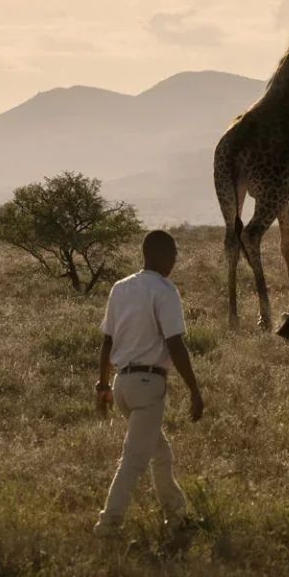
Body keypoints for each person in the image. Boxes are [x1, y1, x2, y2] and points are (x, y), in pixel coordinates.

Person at [93, 229, 204, 537]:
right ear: (158, 255)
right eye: (173, 255)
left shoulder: (120, 288)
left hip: (122, 385)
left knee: (160, 452)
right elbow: (175, 345)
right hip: (147, 385)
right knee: (134, 459)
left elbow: (106, 342)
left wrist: (102, 386)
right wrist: (195, 390)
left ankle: (177, 516)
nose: (175, 261)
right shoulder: (164, 290)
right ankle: (108, 523)